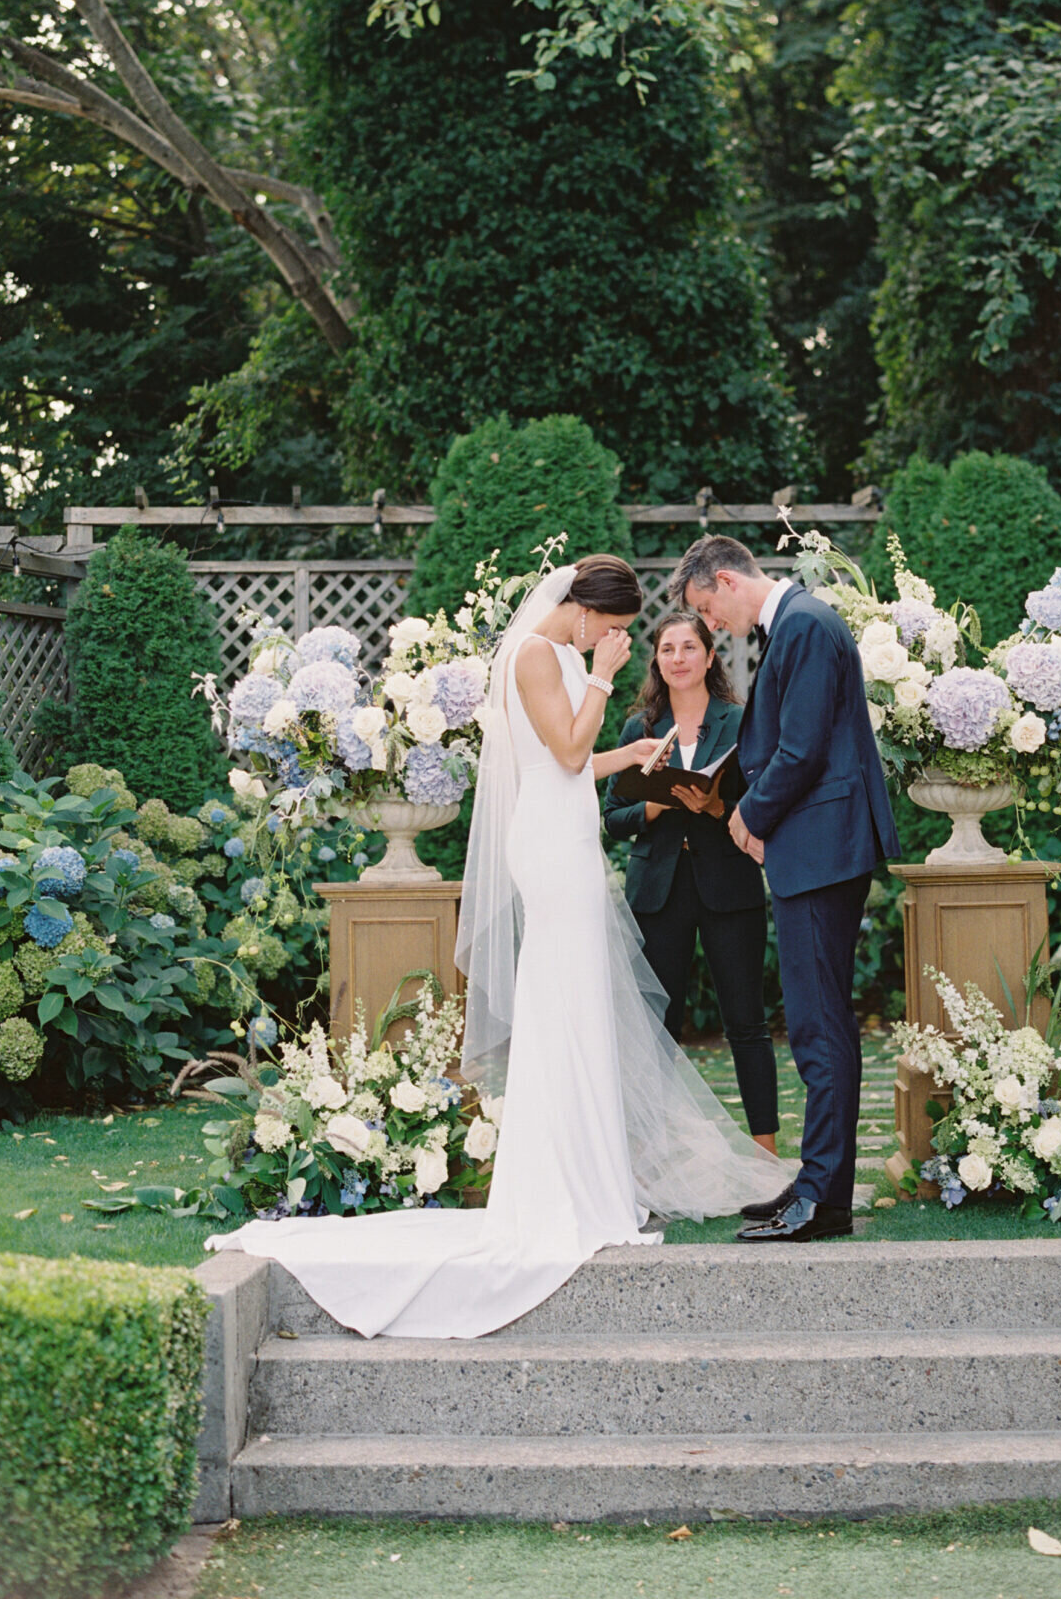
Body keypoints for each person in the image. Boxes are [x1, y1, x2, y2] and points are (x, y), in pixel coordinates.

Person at [208, 554, 785, 1337]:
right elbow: (572, 750)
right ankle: (558, 1188)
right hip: (551, 849)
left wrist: (634, 756)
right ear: (583, 612)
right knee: (564, 1000)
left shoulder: (553, 655)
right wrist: (607, 679)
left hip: (566, 829)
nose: (612, 642)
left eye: (616, 636)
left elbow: (571, 764)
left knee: (574, 1002)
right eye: (611, 630)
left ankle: (587, 1176)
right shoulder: (536, 655)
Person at [672, 533, 900, 1245]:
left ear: (728, 581)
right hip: (816, 847)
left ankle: (823, 1200)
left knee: (817, 1025)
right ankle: (817, 1185)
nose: (711, 626)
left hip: (822, 848)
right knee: (817, 1022)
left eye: (707, 609)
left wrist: (748, 813)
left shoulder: (802, 625)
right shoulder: (799, 624)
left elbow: (800, 749)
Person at [604, 610, 778, 1153]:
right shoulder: (640, 728)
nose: (677, 659)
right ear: (656, 661)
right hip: (658, 891)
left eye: (688, 648)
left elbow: (764, 803)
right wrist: (651, 811)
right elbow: (611, 817)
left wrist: (716, 804)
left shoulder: (741, 720)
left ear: (708, 655)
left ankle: (767, 1149)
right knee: (657, 1027)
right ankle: (652, 1152)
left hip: (729, 886)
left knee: (746, 1022)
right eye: (667, 650)